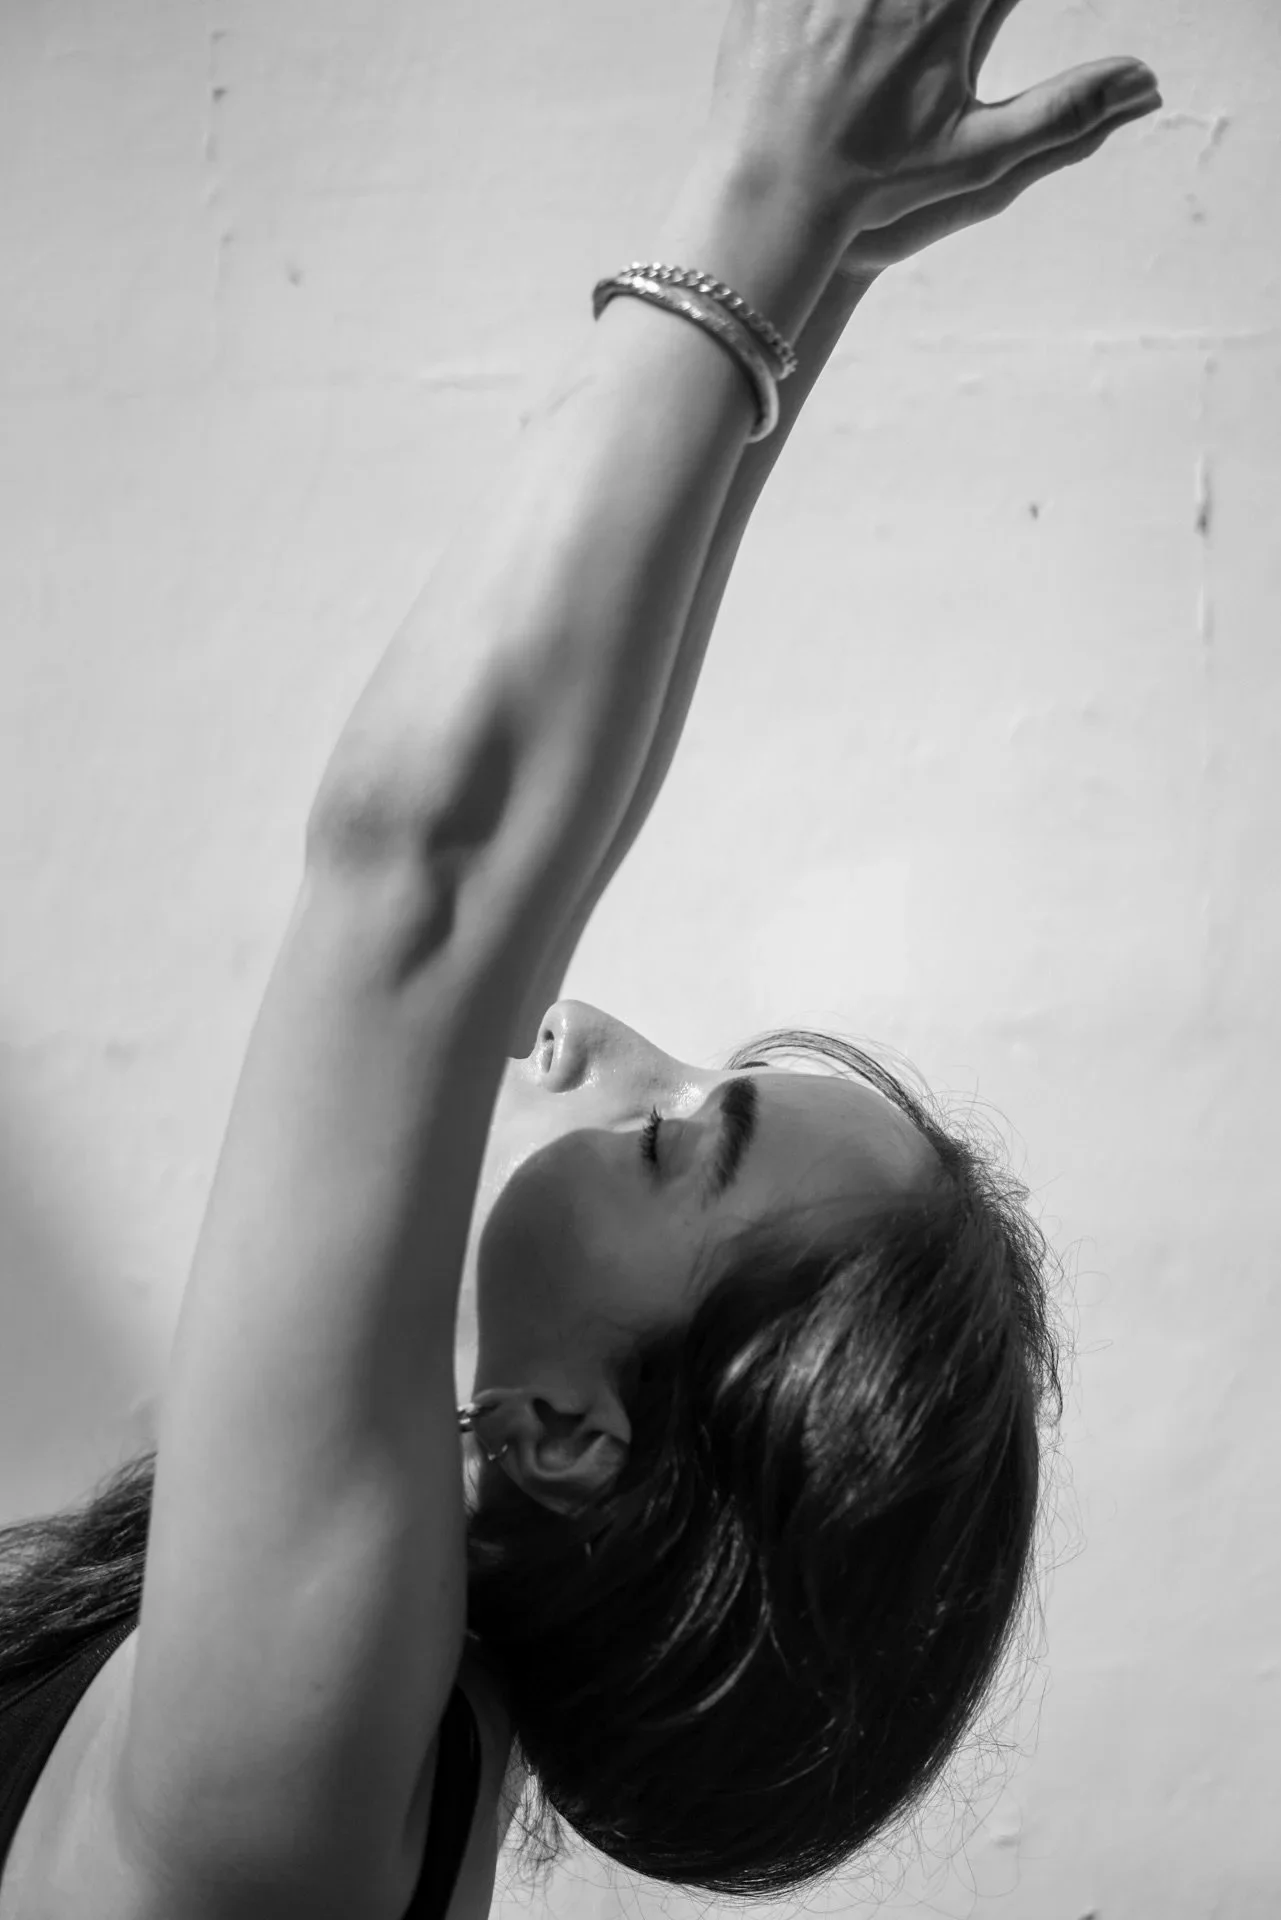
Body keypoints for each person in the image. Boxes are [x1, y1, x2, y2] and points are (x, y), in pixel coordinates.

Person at [0, 4, 1161, 1917]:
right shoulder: (397, 1709)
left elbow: (427, 884)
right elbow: (520, 855)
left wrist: (764, 195)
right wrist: (813, 273)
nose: (590, 1031)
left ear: (567, 1433)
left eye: (662, 1138)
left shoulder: (299, 1763)